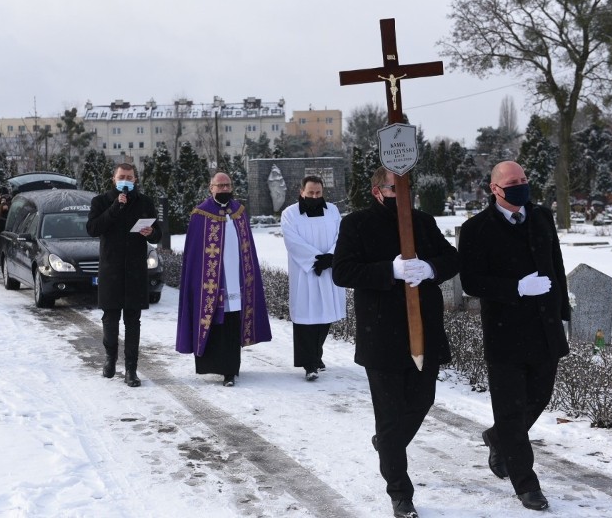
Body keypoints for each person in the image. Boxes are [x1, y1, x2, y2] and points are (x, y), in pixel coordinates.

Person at [332, 167, 459, 518]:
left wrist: (429, 268)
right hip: (381, 332)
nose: (403, 194)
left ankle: (387, 446)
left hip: (425, 330)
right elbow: (343, 271)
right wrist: (390, 271)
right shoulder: (356, 224)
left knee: (422, 399)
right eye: (394, 188)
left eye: (406, 187)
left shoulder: (423, 221)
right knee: (389, 416)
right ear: (376, 191)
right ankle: (400, 492)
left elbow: (452, 259)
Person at [458, 161, 569, 512]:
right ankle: (526, 484)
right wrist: (517, 288)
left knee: (539, 397)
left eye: (524, 179)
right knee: (510, 411)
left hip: (545, 329)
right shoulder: (476, 228)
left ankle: (496, 438)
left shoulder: (541, 217)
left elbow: (557, 266)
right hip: (506, 333)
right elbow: (472, 282)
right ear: (495, 189)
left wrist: (563, 312)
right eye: (513, 182)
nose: (521, 186)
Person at [176, 172, 273, 387]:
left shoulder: (239, 212)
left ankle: (230, 370)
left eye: (227, 185)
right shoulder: (200, 214)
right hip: (211, 282)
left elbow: (249, 249)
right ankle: (213, 365)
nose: (224, 189)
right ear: (211, 188)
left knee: (231, 324)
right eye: (219, 186)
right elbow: (193, 254)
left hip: (236, 279)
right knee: (214, 323)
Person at [86, 163, 162, 388]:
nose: (126, 180)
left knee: (133, 322)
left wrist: (152, 232)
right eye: (122, 177)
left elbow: (158, 233)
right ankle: (110, 359)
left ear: (136, 179)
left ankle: (131, 369)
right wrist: (114, 207)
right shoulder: (100, 201)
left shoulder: (145, 202)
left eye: (129, 177)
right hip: (111, 269)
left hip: (136, 271)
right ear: (114, 179)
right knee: (110, 319)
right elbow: (93, 229)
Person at [280, 175, 345, 381]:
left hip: (327, 270)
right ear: (302, 192)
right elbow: (292, 242)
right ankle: (309, 363)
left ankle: (317, 353)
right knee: (306, 316)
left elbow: (340, 236)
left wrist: (331, 258)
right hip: (304, 272)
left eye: (318, 193)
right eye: (310, 193)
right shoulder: (290, 214)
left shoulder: (333, 211)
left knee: (325, 314)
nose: (315, 196)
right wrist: (315, 260)